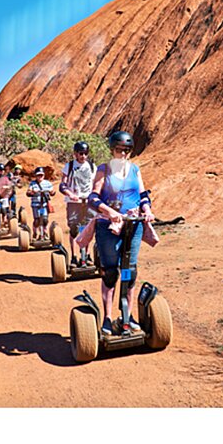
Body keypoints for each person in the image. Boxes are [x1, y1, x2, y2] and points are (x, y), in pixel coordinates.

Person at [87, 131, 155, 335]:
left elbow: (143, 195)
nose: (123, 154)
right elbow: (92, 197)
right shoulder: (104, 169)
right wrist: (109, 212)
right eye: (119, 150)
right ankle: (107, 319)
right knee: (110, 273)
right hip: (108, 227)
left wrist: (148, 210)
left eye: (127, 150)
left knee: (130, 272)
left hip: (133, 225)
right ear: (112, 150)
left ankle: (127, 316)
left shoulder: (135, 170)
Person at [59, 141, 96, 266]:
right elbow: (62, 184)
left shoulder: (92, 166)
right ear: (75, 154)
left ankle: (87, 256)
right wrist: (70, 194)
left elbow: (96, 183)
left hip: (89, 201)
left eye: (86, 153)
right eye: (81, 153)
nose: (83, 156)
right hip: (74, 202)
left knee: (89, 229)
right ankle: (74, 257)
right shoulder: (69, 166)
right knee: (74, 228)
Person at [26, 166, 56, 241]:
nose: (40, 177)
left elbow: (53, 192)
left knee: (45, 220)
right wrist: (32, 192)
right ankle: (35, 233)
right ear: (36, 176)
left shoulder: (47, 183)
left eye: (41, 175)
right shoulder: (32, 184)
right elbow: (28, 192)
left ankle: (44, 234)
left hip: (44, 205)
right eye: (38, 175)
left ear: (44, 175)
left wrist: (51, 192)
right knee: (37, 220)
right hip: (36, 205)